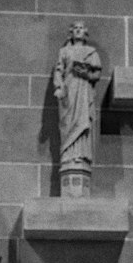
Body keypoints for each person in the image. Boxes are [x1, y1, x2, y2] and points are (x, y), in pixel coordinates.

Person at [51, 21, 102, 197]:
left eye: (81, 28)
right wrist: (58, 87)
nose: (78, 31)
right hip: (68, 93)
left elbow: (96, 74)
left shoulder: (91, 52)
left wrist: (86, 73)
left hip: (84, 92)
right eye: (76, 29)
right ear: (71, 33)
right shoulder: (64, 52)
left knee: (83, 124)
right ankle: (68, 158)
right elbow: (59, 70)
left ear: (85, 32)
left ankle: (80, 157)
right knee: (67, 125)